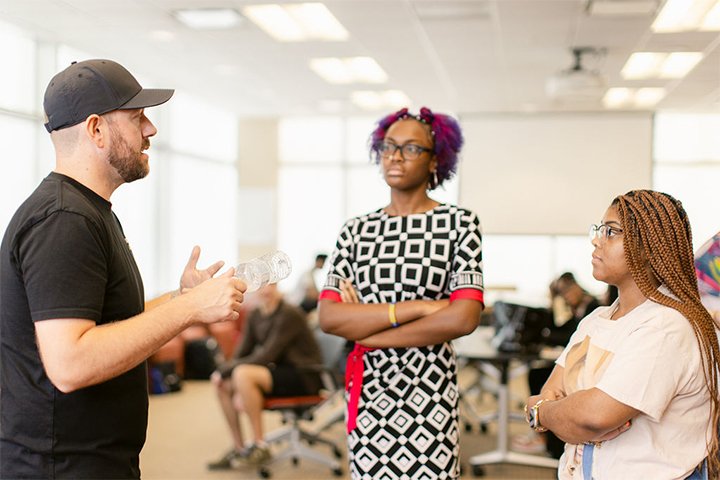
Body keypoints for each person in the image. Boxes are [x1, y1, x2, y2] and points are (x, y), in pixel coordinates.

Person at [0, 59, 247, 479]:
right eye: (137, 118)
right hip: (59, 466)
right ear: (96, 129)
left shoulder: (87, 211)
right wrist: (188, 312)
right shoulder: (64, 219)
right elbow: (71, 363)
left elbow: (108, 324)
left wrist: (183, 300)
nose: (150, 130)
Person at [318, 107, 484, 479]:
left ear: (434, 160)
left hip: (430, 389)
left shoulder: (459, 224)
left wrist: (368, 331)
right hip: (369, 392)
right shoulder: (355, 231)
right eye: (389, 146)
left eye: (411, 149)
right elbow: (329, 317)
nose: (394, 155)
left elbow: (464, 316)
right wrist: (425, 307)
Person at [525, 190, 720, 479]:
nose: (596, 240)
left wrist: (545, 412)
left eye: (611, 232)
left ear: (649, 246)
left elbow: (593, 417)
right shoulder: (595, 320)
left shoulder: (667, 326)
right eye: (598, 230)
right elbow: (545, 398)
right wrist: (549, 411)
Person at [207, 283, 323, 469]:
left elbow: (267, 355)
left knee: (242, 374)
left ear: (277, 285)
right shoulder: (255, 314)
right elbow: (242, 351)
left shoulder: (288, 314)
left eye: (270, 285)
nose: (266, 291)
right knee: (224, 383)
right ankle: (240, 448)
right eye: (261, 286)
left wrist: (227, 372)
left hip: (303, 375)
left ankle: (260, 445)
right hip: (278, 370)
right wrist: (225, 374)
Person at [514, 273, 600, 458]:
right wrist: (556, 303)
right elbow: (556, 329)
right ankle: (544, 436)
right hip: (568, 360)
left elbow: (568, 336)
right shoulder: (573, 307)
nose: (566, 296)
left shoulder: (594, 308)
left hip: (583, 365)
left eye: (567, 291)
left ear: (576, 286)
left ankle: (547, 438)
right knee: (536, 375)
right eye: (561, 294)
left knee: (539, 377)